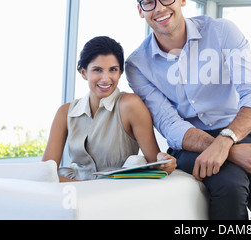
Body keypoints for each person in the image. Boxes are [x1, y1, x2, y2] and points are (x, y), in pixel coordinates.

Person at [125, 0, 251, 220]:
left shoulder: (222, 32)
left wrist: (227, 142)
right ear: (140, 10)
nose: (158, 8)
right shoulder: (137, 65)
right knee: (230, 183)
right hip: (188, 146)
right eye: (148, 2)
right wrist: (230, 151)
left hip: (239, 132)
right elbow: (169, 124)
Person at [42, 36, 176, 182]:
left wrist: (164, 162)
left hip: (114, 194)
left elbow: (154, 163)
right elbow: (45, 172)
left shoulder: (130, 105)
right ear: (84, 73)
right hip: (73, 193)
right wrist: (84, 191)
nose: (106, 79)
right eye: (97, 70)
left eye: (113, 70)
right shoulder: (65, 112)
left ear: (120, 73)